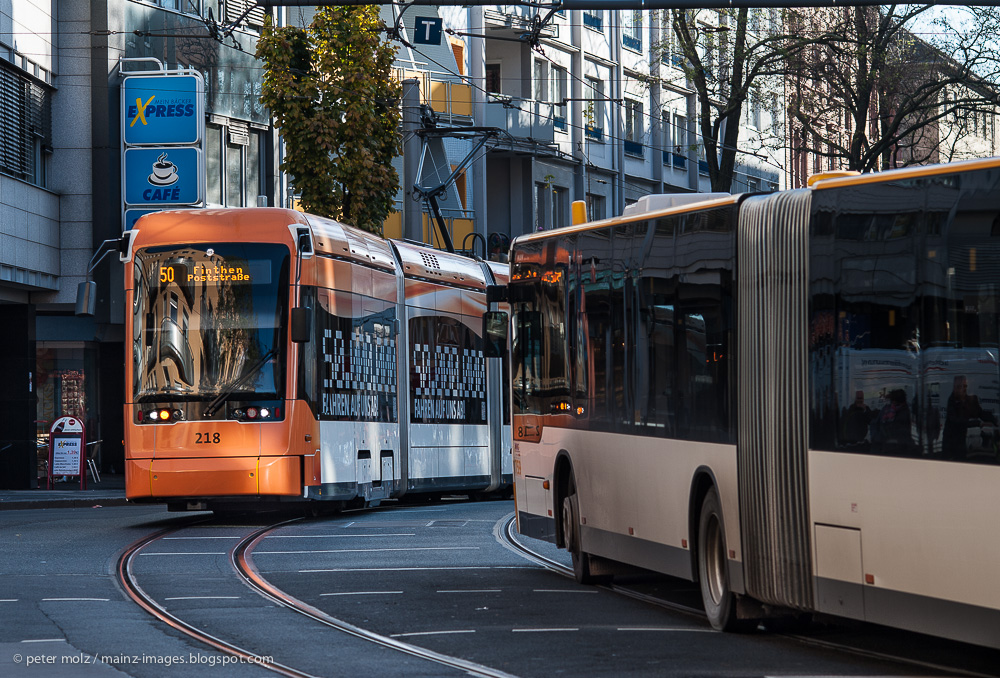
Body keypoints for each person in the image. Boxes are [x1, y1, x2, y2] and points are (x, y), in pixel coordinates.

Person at [942, 375, 996, 461]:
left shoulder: (971, 400)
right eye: (960, 386)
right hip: (951, 444)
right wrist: (979, 423)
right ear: (954, 388)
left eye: (965, 386)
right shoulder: (951, 402)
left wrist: (994, 420)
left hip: (965, 443)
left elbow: (980, 413)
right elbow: (956, 421)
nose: (963, 389)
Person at [873, 389, 912, 455]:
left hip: (898, 449)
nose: (891, 403)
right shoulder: (886, 409)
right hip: (884, 447)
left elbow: (902, 432)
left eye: (892, 401)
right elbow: (876, 424)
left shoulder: (904, 412)